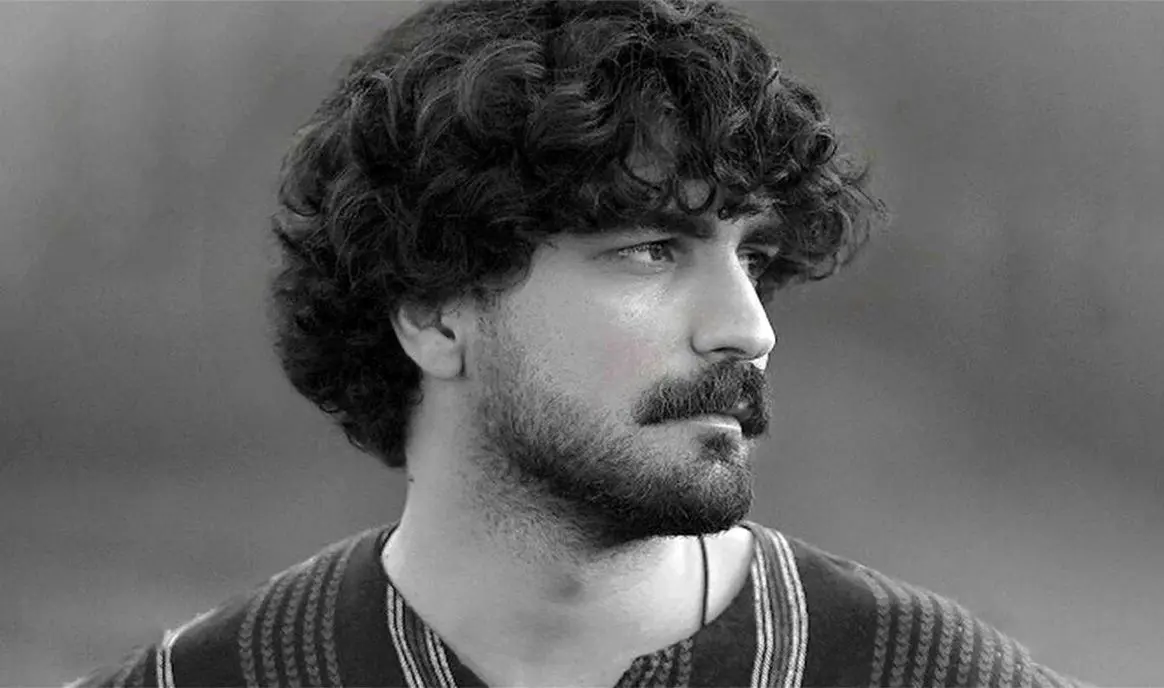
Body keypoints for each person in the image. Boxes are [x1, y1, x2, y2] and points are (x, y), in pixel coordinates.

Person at [72, 0, 1086, 686]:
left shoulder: (928, 673)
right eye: (651, 251)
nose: (749, 328)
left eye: (753, 255)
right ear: (434, 313)